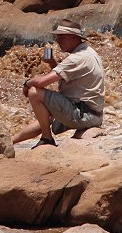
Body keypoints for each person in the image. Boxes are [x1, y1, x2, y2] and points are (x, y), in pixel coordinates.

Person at [12, 19, 105, 149]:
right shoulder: (88, 52)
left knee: (34, 92)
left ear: (74, 37)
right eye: (57, 37)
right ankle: (10, 142)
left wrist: (27, 84)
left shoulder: (76, 58)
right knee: (45, 117)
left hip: (83, 115)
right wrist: (52, 63)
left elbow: (41, 82)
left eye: (62, 37)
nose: (58, 41)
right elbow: (67, 79)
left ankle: (47, 138)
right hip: (92, 114)